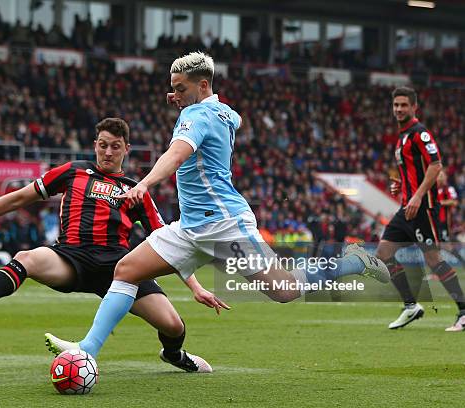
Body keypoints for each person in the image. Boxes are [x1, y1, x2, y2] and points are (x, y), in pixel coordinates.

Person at [46, 52, 390, 359]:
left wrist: (146, 184)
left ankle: (353, 261)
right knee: (125, 270)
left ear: (203, 85)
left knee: (283, 290)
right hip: (190, 226)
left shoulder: (197, 116)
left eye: (180, 88)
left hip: (225, 225)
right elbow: (233, 117)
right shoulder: (221, 112)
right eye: (173, 88)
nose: (175, 95)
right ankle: (87, 351)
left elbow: (176, 154)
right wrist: (189, 100)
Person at [0, 117, 216, 372]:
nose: (108, 152)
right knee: (27, 257)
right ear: (95, 145)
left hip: (121, 267)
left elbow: (168, 244)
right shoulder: (73, 172)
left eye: (115, 147)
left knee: (173, 325)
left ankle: (173, 355)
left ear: (126, 149)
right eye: (103, 145)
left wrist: (196, 287)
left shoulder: (136, 189)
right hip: (71, 257)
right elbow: (19, 197)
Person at [376, 87, 465, 331]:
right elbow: (414, 171)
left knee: (434, 260)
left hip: (422, 207)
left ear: (414, 107)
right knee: (383, 254)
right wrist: (402, 185)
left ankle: (464, 311)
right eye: (396, 105)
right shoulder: (402, 136)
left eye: (404, 105)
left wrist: (417, 195)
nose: (399, 109)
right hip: (407, 207)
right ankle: (410, 306)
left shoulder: (419, 133)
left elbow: (436, 166)